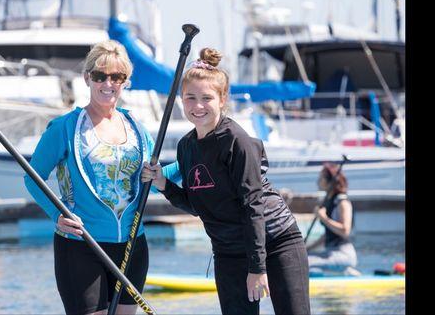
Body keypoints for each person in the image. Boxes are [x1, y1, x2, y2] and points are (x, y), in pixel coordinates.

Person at [141, 48, 311, 315]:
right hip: (228, 251)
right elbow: (201, 206)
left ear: (222, 100)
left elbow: (252, 205)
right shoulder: (186, 146)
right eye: (190, 98)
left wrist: (257, 268)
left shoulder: (237, 141)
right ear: (181, 100)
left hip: (275, 241)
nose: (197, 106)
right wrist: (164, 184)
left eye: (206, 98)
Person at [24, 39, 157, 315]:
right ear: (87, 78)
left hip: (132, 245)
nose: (108, 83)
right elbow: (33, 178)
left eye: (117, 76)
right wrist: (56, 214)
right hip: (81, 245)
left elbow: (152, 182)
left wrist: (174, 168)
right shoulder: (65, 127)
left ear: (125, 81)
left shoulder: (137, 129)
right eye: (100, 75)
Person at [306, 163, 360, 276]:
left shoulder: (342, 202)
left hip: (343, 254)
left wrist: (323, 218)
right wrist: (306, 248)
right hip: (330, 252)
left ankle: (345, 271)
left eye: (321, 178)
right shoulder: (329, 202)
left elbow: (345, 231)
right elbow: (327, 235)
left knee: (305, 263)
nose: (318, 181)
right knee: (303, 258)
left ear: (329, 181)